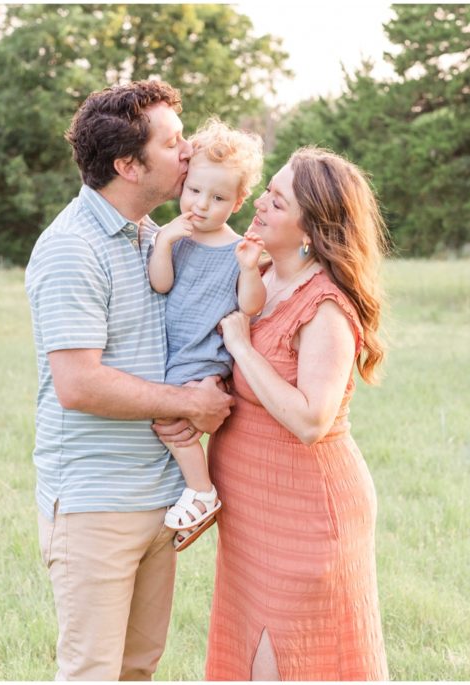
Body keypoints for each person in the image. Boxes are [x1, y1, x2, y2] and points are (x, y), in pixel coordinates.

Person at [24, 80, 233, 681]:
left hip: (158, 499)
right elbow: (79, 384)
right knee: (93, 672)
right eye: (173, 143)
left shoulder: (152, 235)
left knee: (138, 668)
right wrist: (189, 403)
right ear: (127, 164)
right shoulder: (71, 248)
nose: (190, 151)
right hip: (97, 505)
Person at [205, 147, 390, 680]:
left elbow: (312, 419)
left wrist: (242, 346)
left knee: (288, 661)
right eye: (268, 191)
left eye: (277, 201)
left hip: (306, 513)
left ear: (312, 228)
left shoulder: (326, 306)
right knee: (248, 654)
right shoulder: (258, 271)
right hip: (250, 515)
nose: (258, 203)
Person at [147, 118, 266, 551]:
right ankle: (193, 490)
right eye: (194, 191)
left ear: (237, 203)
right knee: (169, 419)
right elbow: (160, 284)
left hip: (203, 351)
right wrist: (163, 243)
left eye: (217, 198)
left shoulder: (237, 251)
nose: (201, 204)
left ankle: (201, 491)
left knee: (167, 419)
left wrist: (251, 268)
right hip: (175, 347)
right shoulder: (174, 238)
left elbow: (251, 305)